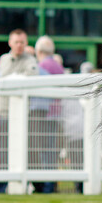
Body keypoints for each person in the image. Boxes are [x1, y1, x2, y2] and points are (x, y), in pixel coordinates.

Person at [0, 29, 38, 193]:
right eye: (16, 42)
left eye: (22, 42)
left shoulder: (30, 60)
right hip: (3, 113)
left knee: (21, 151)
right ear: (10, 43)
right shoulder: (3, 60)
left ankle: (21, 185)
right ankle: (1, 186)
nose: (19, 45)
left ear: (26, 44)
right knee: (1, 151)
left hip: (20, 117)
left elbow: (31, 78)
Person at [30, 36, 63, 193]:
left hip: (44, 115)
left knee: (43, 151)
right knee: (51, 151)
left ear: (39, 51)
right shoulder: (58, 66)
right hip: (57, 115)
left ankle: (46, 186)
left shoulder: (41, 66)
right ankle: (50, 184)